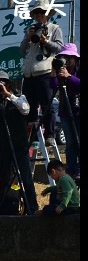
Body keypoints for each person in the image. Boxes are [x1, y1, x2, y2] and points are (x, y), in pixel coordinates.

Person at [0, 72, 38, 215]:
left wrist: (8, 94)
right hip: (1, 145)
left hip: (18, 144)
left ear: (8, 84)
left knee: (25, 177)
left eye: (2, 83)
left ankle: (32, 207)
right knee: (4, 177)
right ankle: (7, 205)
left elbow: (26, 110)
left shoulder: (19, 97)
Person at [20, 0, 65, 140]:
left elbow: (59, 47)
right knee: (29, 106)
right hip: (29, 74)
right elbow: (21, 50)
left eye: (42, 12)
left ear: (47, 14)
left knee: (47, 104)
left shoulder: (54, 28)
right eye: (37, 12)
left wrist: (46, 41)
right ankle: (32, 136)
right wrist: (28, 37)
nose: (40, 15)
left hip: (44, 72)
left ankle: (50, 134)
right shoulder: (30, 30)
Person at [49, 43, 80, 181]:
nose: (66, 61)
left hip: (78, 112)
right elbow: (53, 86)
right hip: (66, 112)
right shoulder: (61, 70)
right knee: (70, 143)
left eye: (69, 57)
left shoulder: (78, 70)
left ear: (75, 58)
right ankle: (72, 170)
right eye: (63, 57)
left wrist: (69, 76)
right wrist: (54, 72)